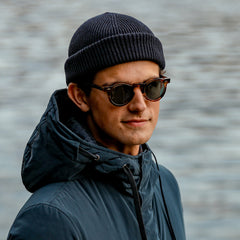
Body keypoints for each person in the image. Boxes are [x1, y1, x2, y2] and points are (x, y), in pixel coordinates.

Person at [7, 12, 186, 240]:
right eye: (120, 92)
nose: (140, 105)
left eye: (152, 87)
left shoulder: (164, 184)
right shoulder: (50, 218)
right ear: (80, 96)